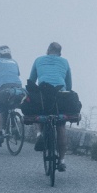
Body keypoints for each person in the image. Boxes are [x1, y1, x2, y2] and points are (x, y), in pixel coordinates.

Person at [28, 42, 73, 172]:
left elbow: (32, 80)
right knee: (60, 126)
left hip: (44, 94)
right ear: (60, 53)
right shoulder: (65, 62)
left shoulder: (38, 60)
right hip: (60, 95)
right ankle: (62, 160)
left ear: (48, 50)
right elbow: (69, 84)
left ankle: (39, 134)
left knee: (40, 113)